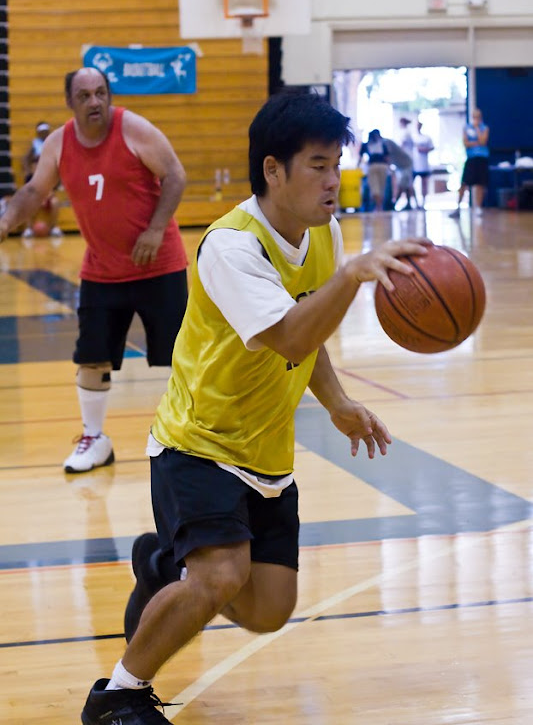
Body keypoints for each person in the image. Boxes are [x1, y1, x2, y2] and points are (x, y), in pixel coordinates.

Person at [79, 91, 431, 724]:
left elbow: (308, 332)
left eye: (336, 164)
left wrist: (340, 403)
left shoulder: (324, 233)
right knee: (219, 577)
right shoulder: (231, 247)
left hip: (266, 450)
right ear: (274, 170)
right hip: (198, 443)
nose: (333, 180)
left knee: (267, 610)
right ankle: (118, 696)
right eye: (318, 165)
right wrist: (351, 278)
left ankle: (163, 566)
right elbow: (290, 334)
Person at [0, 67, 189, 473]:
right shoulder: (58, 144)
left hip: (159, 265)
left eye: (101, 93)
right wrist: (6, 220)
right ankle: (94, 438)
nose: (95, 102)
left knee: (181, 356)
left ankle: (193, 434)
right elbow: (35, 190)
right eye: (84, 95)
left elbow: (175, 174)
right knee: (92, 357)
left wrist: (156, 229)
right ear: (70, 102)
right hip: (103, 271)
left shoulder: (133, 129)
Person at [21, 121, 63, 237]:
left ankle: (54, 228)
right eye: (41, 132)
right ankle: (29, 229)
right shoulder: (35, 145)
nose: (43, 134)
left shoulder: (52, 145)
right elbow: (26, 160)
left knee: (55, 202)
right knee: (28, 202)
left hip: (48, 193)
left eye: (45, 132)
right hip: (36, 196)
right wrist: (28, 170)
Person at [450, 108, 489, 218]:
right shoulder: (466, 128)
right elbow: (466, 143)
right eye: (474, 117)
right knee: (464, 183)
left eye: (478, 117)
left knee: (480, 184)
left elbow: (483, 141)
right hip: (471, 159)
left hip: (482, 159)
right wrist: (477, 142)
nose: (476, 119)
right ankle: (457, 208)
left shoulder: (484, 128)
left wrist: (477, 130)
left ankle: (478, 208)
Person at [382, 137, 418, 211]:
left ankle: (394, 205)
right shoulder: (384, 143)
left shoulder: (386, 142)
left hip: (406, 164)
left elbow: (387, 156)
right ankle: (409, 204)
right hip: (400, 166)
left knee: (402, 185)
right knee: (407, 185)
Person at [358, 128, 389, 210]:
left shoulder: (371, 144)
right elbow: (387, 157)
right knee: (379, 186)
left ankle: (378, 205)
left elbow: (360, 157)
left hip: (374, 166)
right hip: (380, 166)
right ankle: (379, 206)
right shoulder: (382, 144)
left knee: (375, 186)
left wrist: (357, 166)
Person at [412, 120, 435, 208]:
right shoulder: (413, 137)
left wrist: (425, 150)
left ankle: (423, 202)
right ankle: (415, 202)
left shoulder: (426, 138)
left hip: (424, 164)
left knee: (424, 183)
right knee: (411, 184)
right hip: (414, 165)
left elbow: (432, 147)